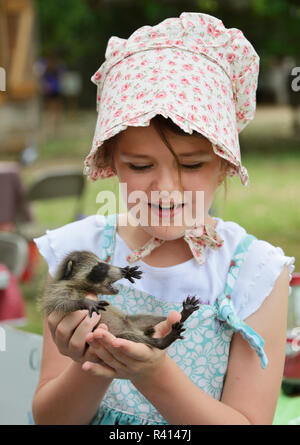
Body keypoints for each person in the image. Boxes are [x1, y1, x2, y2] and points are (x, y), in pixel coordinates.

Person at [31, 13, 295, 425]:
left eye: (191, 165)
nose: (166, 188)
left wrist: (154, 374)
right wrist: (94, 362)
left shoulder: (255, 274)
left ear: (225, 164)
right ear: (112, 162)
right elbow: (51, 419)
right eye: (139, 165)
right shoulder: (78, 254)